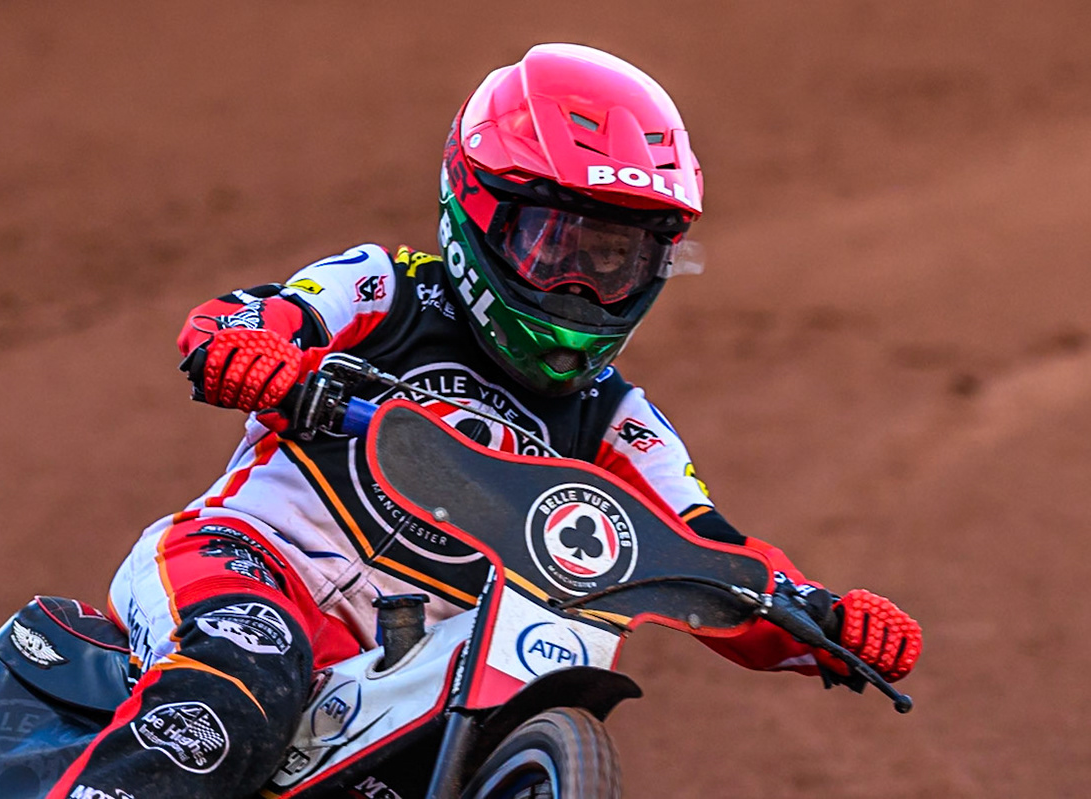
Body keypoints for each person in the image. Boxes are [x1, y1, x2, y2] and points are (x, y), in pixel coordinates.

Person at [45, 43, 923, 799]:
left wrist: (824, 620)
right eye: (556, 243)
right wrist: (251, 353)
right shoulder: (385, 288)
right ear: (477, 209)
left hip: (415, 658)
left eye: (613, 259)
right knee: (236, 690)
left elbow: (708, 548)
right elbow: (247, 315)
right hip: (249, 563)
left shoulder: (620, 420)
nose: (580, 284)